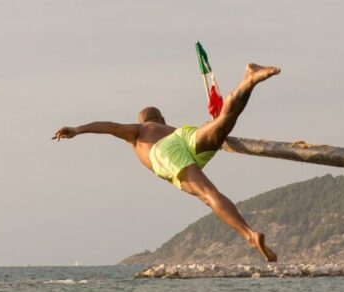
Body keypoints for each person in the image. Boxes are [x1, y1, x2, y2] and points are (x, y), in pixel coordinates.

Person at [53, 63, 281, 262]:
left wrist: (78, 130)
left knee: (208, 195)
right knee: (224, 119)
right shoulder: (169, 127)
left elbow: (110, 126)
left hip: (164, 151)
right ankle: (248, 80)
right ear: (162, 119)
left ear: (141, 121)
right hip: (185, 135)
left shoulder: (139, 131)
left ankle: (250, 235)